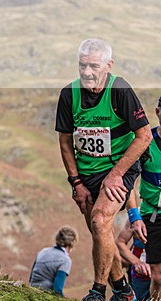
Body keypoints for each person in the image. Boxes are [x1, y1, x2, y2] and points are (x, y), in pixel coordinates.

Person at [56, 38, 151, 301]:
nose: (87, 72)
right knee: (102, 233)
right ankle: (123, 289)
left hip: (119, 167)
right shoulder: (69, 93)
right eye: (82, 65)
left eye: (94, 66)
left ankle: (97, 291)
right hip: (85, 173)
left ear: (108, 66)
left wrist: (116, 174)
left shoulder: (120, 90)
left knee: (99, 220)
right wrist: (76, 183)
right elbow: (65, 140)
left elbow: (144, 137)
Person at [134, 96, 161, 301]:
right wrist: (134, 213)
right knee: (158, 277)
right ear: (158, 113)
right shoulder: (146, 142)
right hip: (153, 215)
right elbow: (129, 180)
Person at [29, 226, 78, 296]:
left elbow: (31, 277)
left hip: (31, 290)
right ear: (71, 243)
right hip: (46, 294)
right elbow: (57, 289)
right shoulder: (65, 260)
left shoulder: (42, 251)